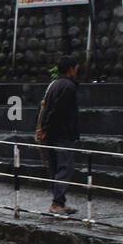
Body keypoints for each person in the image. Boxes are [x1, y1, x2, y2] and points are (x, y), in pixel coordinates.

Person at [35, 55, 81, 216]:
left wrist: (43, 129)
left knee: (55, 167)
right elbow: (58, 111)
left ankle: (59, 201)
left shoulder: (53, 85)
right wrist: (46, 128)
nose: (77, 71)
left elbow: (45, 109)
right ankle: (57, 203)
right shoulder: (69, 87)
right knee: (65, 167)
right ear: (70, 69)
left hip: (51, 133)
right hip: (62, 133)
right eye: (76, 68)